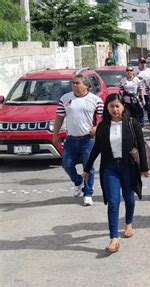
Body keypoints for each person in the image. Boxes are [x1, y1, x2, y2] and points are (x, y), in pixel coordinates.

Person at [83, 94, 150, 253]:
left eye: (117, 106)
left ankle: (128, 222)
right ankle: (114, 238)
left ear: (123, 107)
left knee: (128, 197)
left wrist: (145, 168)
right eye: (111, 106)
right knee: (113, 201)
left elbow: (141, 146)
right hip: (109, 168)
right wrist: (87, 168)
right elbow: (96, 148)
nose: (115, 109)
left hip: (128, 166)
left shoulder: (132, 124)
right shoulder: (103, 126)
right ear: (107, 108)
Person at [52, 74, 104, 206]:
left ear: (86, 85)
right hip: (71, 139)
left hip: (88, 139)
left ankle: (88, 193)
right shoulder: (65, 98)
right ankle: (78, 181)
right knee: (66, 164)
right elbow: (59, 117)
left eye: (77, 83)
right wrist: (55, 134)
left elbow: (102, 118)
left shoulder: (95, 100)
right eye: (73, 83)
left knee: (88, 166)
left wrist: (96, 127)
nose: (74, 85)